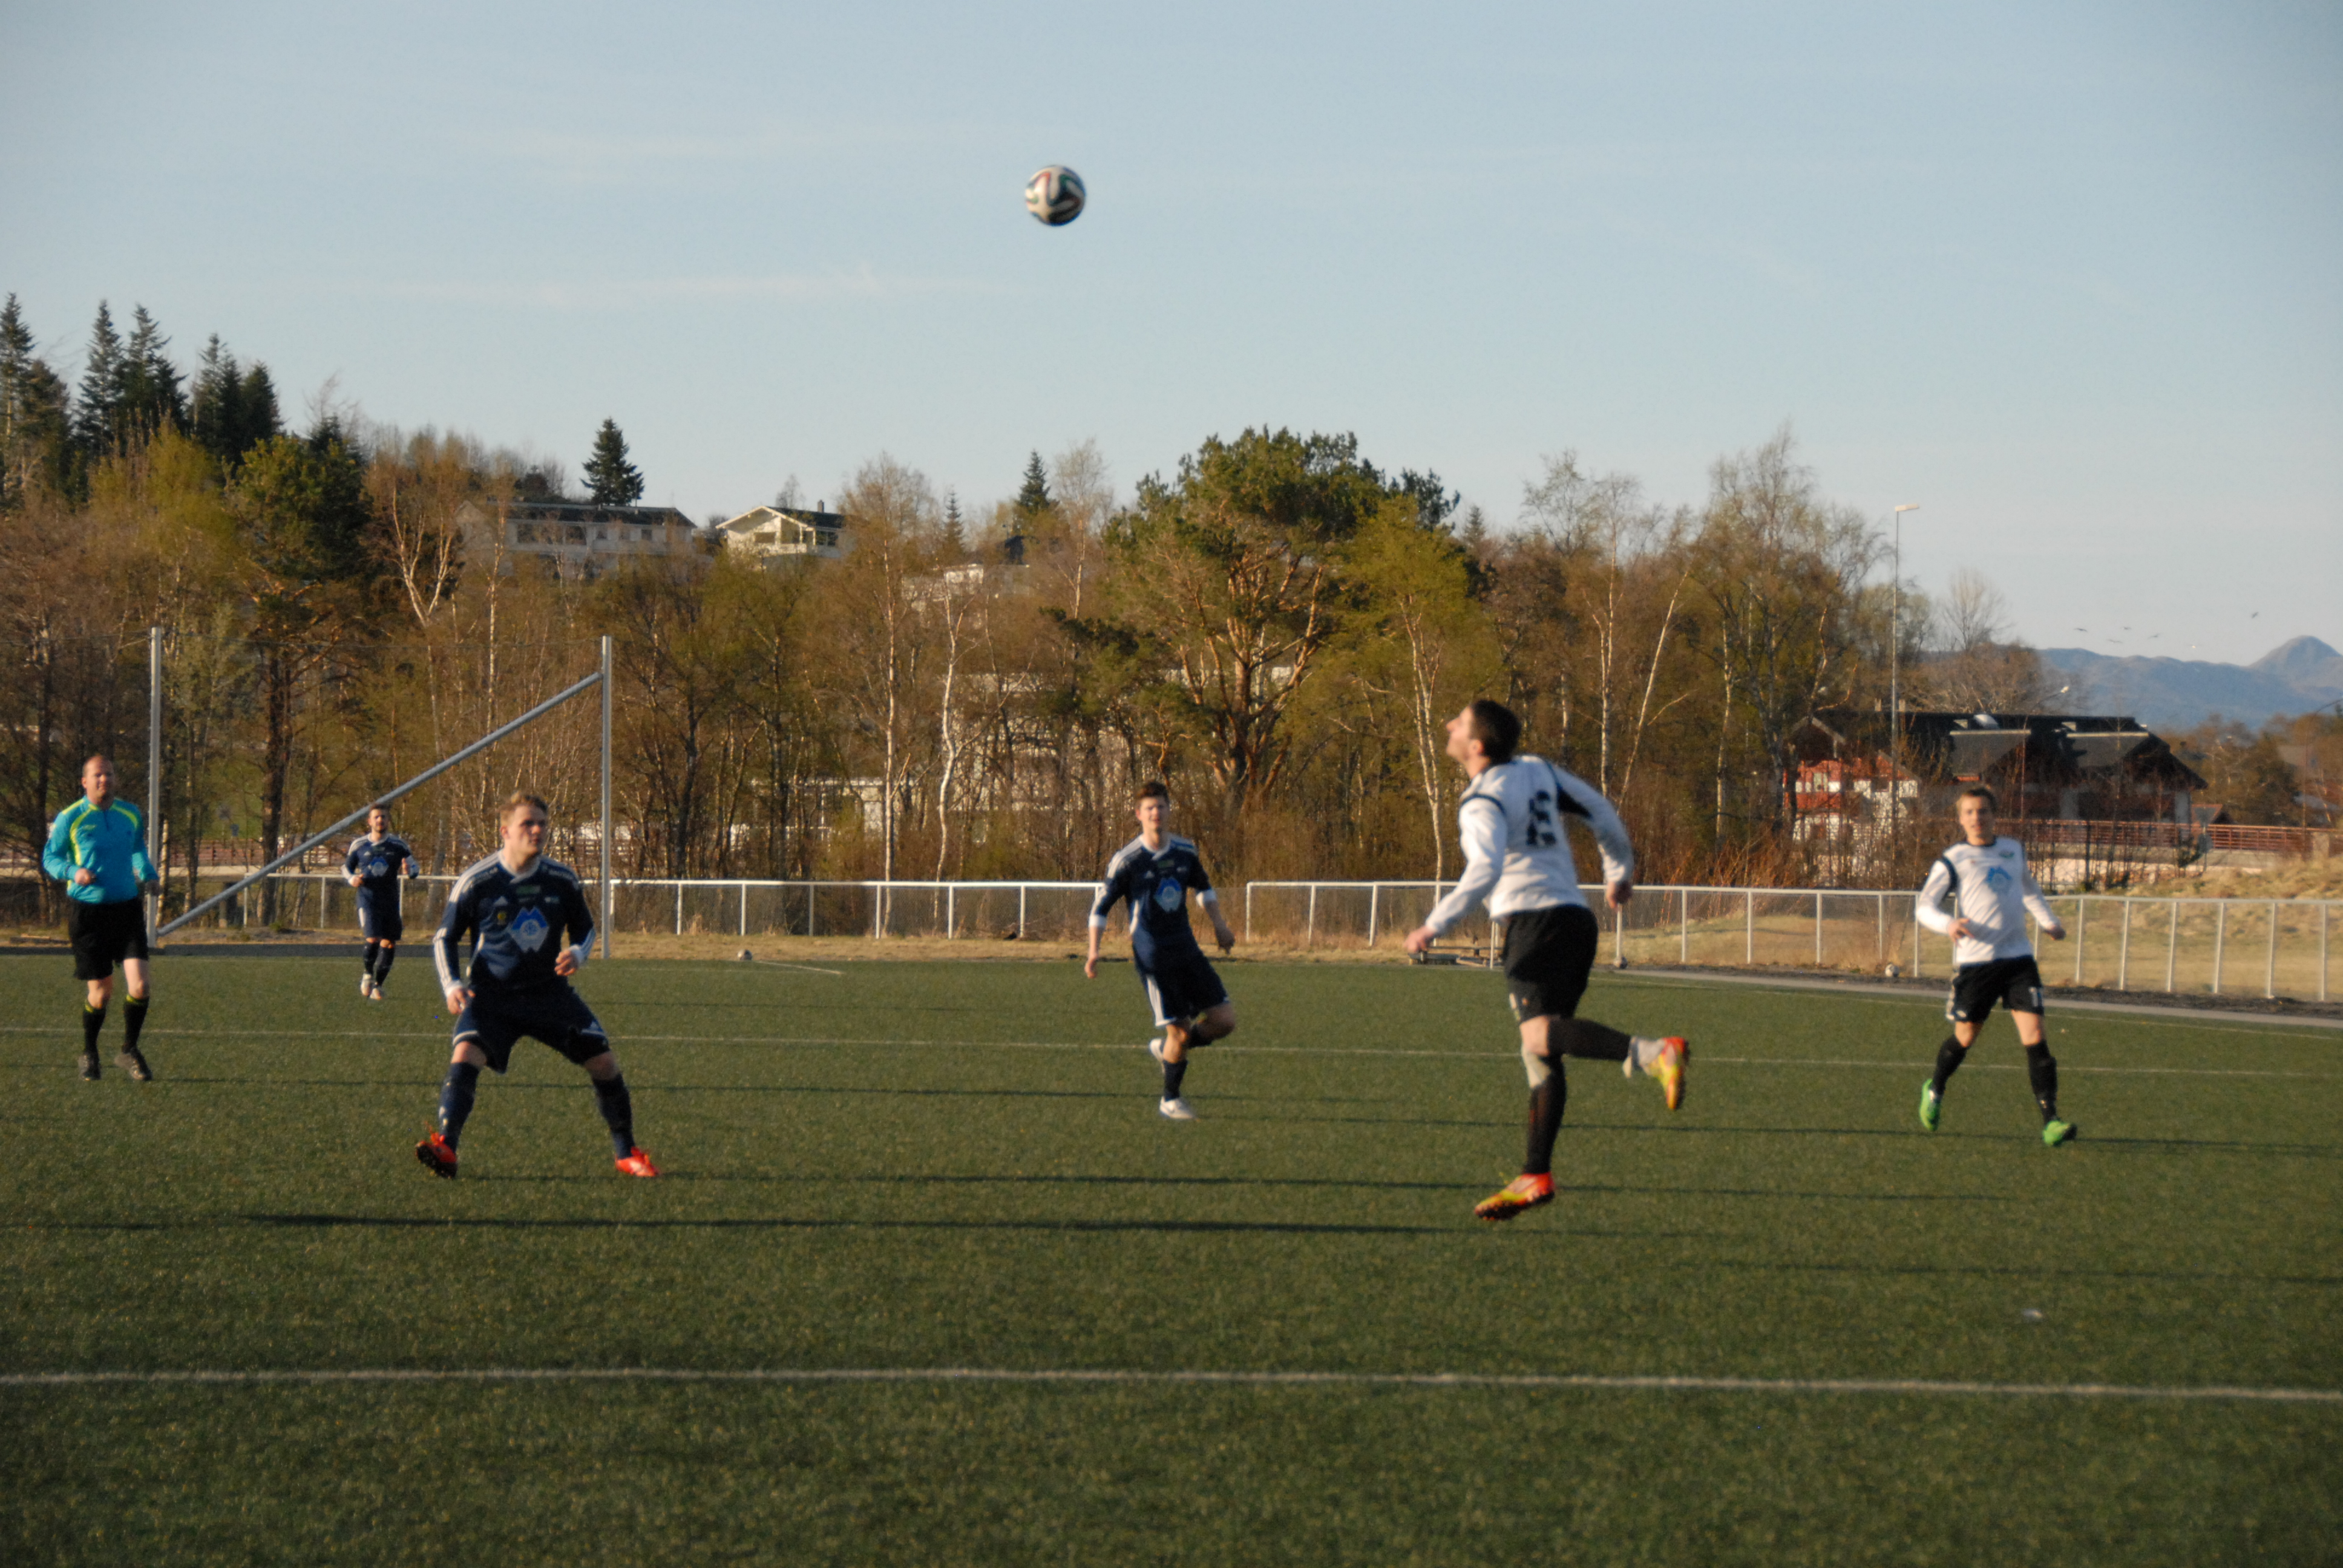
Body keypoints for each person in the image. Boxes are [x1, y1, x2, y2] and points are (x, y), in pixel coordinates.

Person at [1404, 701, 1688, 1222]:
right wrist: (1618, 871)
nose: (1448, 725)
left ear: (1477, 745)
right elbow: (1601, 812)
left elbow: (1485, 868)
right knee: (1541, 1049)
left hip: (1534, 926)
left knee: (1538, 1038)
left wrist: (1432, 925)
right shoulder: (1537, 771)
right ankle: (1535, 1174)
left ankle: (1653, 1054)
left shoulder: (1481, 801)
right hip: (1575, 921)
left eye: (1458, 722)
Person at [418, 792, 658, 1179]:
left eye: (543, 823)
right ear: (505, 832)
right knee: (465, 1055)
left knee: (604, 1063)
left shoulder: (561, 879)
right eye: (528, 823)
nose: (537, 830)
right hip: (492, 997)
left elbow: (586, 929)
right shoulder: (477, 881)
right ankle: (446, 1146)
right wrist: (452, 986)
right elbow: (444, 937)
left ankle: (626, 1152)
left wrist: (577, 953)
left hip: (549, 995)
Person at [1914, 785, 2075, 1146]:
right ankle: (1935, 1088)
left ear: (1994, 815)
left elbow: (2029, 888)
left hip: (2019, 960)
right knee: (1966, 1037)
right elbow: (1924, 906)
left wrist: (2049, 922)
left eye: (1983, 811)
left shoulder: (2013, 850)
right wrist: (1948, 924)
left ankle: (2051, 1121)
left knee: (2036, 1038)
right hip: (1977, 963)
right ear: (1960, 819)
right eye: (1970, 812)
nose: (1977, 818)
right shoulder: (1954, 858)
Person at [1085, 780, 1237, 1120]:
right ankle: (1170, 1099)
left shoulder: (1185, 850)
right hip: (1153, 956)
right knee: (1179, 1031)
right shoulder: (1128, 860)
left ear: (1169, 811)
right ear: (1139, 815)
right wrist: (1094, 951)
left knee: (1224, 1022)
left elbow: (1204, 888)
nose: (1156, 813)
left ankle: (1169, 1050)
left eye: (1161, 806)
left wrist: (1220, 925)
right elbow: (1100, 909)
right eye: (1149, 808)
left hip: (1187, 949)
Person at [43, 754, 164, 1083]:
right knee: (101, 994)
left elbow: (136, 849)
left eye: (109, 774)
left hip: (126, 910)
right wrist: (73, 871)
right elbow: (50, 858)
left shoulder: (130, 813)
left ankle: (129, 1050)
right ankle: (89, 1051)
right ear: (85, 781)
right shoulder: (71, 817)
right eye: (98, 775)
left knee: (141, 986)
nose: (104, 780)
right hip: (88, 914)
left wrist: (148, 874)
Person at [344, 804, 419, 1001]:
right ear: (369, 821)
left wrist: (410, 871)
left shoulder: (399, 845)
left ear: (388, 820)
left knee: (389, 943)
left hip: (390, 900)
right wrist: (352, 879)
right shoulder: (359, 845)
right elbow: (346, 868)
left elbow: (414, 869)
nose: (380, 820)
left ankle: (378, 985)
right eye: (376, 817)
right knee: (372, 938)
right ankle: (368, 975)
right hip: (368, 899)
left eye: (384, 817)